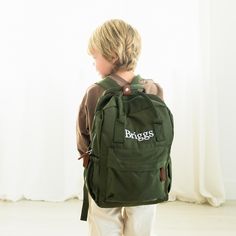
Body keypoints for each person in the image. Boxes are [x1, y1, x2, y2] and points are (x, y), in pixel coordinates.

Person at [76, 19, 164, 236]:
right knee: (141, 221)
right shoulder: (153, 89)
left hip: (106, 176)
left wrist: (85, 157)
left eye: (95, 57)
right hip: (146, 176)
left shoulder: (96, 92)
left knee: (104, 220)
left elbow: (83, 135)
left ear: (112, 56)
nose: (94, 63)